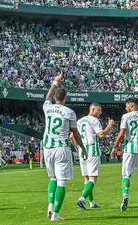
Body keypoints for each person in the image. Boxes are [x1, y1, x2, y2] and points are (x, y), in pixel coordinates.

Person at [43, 74, 86, 222]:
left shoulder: (47, 107)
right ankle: (55, 214)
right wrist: (83, 149)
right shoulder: (69, 112)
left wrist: (55, 81)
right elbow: (75, 133)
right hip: (61, 148)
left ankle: (50, 204)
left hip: (47, 147)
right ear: (65, 98)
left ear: (55, 98)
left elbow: (48, 95)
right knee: (61, 181)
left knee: (52, 178)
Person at [71, 102, 115, 210]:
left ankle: (91, 202)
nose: (100, 112)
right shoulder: (94, 120)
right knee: (93, 178)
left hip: (82, 151)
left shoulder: (80, 121)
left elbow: (72, 137)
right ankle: (82, 199)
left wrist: (77, 148)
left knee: (87, 178)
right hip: (92, 150)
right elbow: (101, 134)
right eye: (99, 110)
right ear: (93, 109)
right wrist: (110, 125)